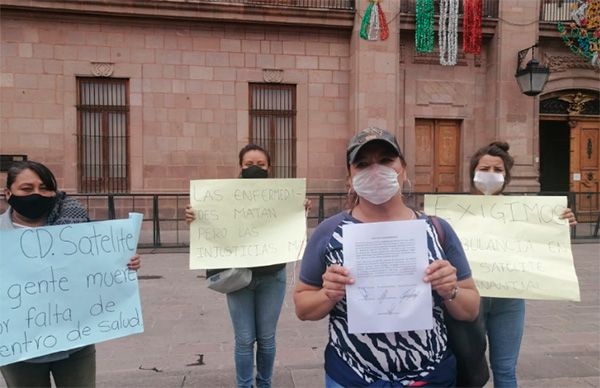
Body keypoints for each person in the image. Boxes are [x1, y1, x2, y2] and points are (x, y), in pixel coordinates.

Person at [293, 127, 480, 387]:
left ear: (403, 167)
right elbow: (302, 308)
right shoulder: (330, 233)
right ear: (350, 176)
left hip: (431, 377)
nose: (376, 170)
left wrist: (451, 290)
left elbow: (471, 309)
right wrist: (328, 294)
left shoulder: (436, 230)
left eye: (385, 160)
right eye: (362, 164)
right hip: (352, 377)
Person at [0, 160, 141, 388]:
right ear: (9, 193)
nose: (37, 194)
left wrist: (125, 263)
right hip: (19, 352)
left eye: (44, 188)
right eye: (27, 189)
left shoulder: (77, 229)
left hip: (75, 345)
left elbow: (100, 269)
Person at [185, 144, 308, 388]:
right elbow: (210, 222)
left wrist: (300, 208)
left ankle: (264, 384)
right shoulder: (222, 196)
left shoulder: (281, 196)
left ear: (269, 168)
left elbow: (291, 221)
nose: (255, 169)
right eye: (249, 164)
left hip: (272, 277)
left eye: (261, 165)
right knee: (243, 339)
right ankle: (244, 386)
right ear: (240, 167)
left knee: (266, 338)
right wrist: (194, 215)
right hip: (238, 277)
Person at [469, 141, 576, 388]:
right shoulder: (452, 213)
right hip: (469, 301)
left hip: (509, 301)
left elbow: (541, 241)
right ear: (473, 172)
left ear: (506, 176)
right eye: (485, 168)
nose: (491, 175)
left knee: (506, 370)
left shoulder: (524, 211)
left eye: (498, 170)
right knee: (467, 371)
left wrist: (560, 224)